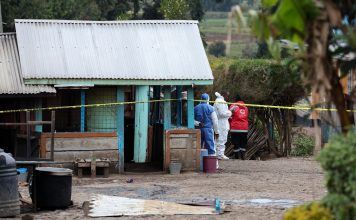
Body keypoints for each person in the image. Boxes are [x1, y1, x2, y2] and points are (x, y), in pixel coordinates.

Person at [214, 91, 232, 160]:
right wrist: (230, 112)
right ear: (223, 95)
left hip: (222, 123)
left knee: (220, 139)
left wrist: (228, 114)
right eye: (227, 96)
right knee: (221, 139)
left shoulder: (220, 101)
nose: (228, 97)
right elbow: (222, 113)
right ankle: (220, 154)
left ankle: (218, 154)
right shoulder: (220, 101)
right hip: (221, 124)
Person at [229, 95, 249, 160]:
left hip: (235, 128)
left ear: (235, 100)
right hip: (244, 128)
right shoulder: (246, 107)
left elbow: (228, 114)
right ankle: (243, 157)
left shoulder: (233, 106)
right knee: (243, 143)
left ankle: (237, 157)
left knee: (236, 143)